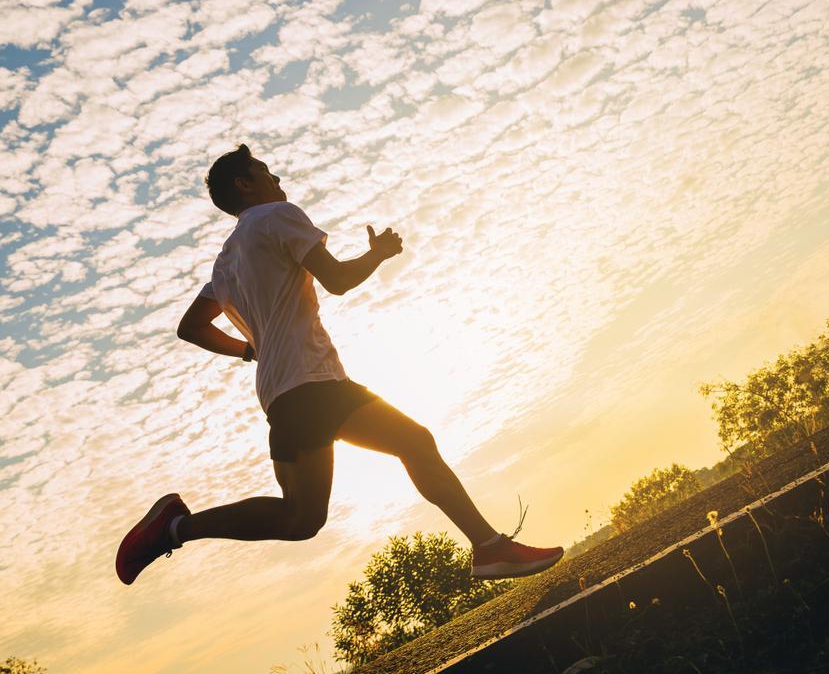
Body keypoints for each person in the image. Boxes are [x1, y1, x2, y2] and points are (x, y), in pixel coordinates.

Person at [116, 144, 563, 585]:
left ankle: (175, 527)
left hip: (283, 390)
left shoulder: (226, 260)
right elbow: (338, 280)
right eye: (268, 172)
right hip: (311, 383)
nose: (278, 181)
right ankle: (489, 548)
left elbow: (191, 327)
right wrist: (379, 254)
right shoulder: (276, 216)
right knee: (408, 448)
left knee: (304, 515)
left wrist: (252, 350)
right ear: (245, 184)